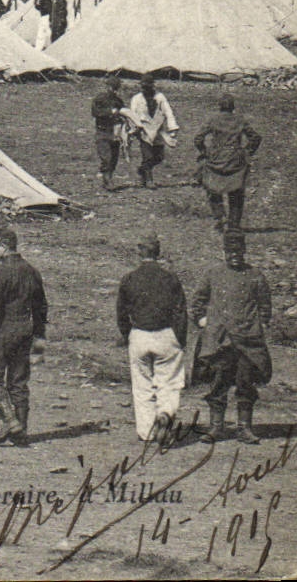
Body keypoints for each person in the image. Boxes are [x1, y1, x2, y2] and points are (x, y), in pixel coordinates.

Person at [192, 235, 271, 445]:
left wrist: (260, 325)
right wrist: (202, 321)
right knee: (219, 381)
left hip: (247, 340)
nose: (234, 256)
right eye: (230, 252)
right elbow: (198, 300)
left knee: (245, 382)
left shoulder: (255, 275)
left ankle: (244, 428)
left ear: (244, 251)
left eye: (238, 252)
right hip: (221, 340)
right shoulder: (213, 273)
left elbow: (265, 305)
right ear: (224, 252)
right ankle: (216, 427)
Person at [0, 227, 47, 447]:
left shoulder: (0, 273)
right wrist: (39, 334)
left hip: (1, 332)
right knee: (18, 381)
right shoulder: (32, 271)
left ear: (3, 246)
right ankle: (21, 431)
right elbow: (41, 306)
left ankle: (10, 420)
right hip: (25, 331)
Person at [116, 236, 187, 444]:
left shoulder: (129, 279)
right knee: (169, 381)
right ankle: (165, 412)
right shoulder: (170, 278)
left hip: (139, 335)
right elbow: (180, 311)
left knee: (142, 385)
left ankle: (147, 431)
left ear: (140, 253)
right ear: (158, 253)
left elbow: (121, 312)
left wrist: (127, 334)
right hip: (166, 334)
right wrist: (180, 338)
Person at [195, 94, 262, 234]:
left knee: (211, 188)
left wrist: (204, 151)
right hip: (235, 160)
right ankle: (234, 224)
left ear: (220, 106)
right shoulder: (240, 120)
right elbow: (255, 137)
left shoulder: (213, 119)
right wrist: (247, 152)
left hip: (215, 159)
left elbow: (198, 138)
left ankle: (220, 217)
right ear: (233, 107)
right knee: (236, 191)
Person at [123, 76, 177, 189]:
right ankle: (149, 180)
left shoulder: (160, 97)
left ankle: (142, 169)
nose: (145, 89)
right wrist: (134, 130)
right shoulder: (136, 99)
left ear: (153, 86)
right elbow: (132, 115)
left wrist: (172, 128)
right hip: (144, 130)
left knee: (159, 157)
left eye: (148, 87)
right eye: (143, 87)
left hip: (157, 129)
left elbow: (168, 112)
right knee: (147, 156)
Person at [92, 75, 127, 190]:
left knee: (114, 158)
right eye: (113, 87)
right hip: (102, 131)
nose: (114, 91)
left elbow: (123, 114)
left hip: (115, 132)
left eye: (116, 88)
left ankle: (108, 178)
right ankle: (107, 180)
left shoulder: (119, 101)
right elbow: (95, 112)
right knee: (106, 157)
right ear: (107, 87)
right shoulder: (100, 99)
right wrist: (110, 112)